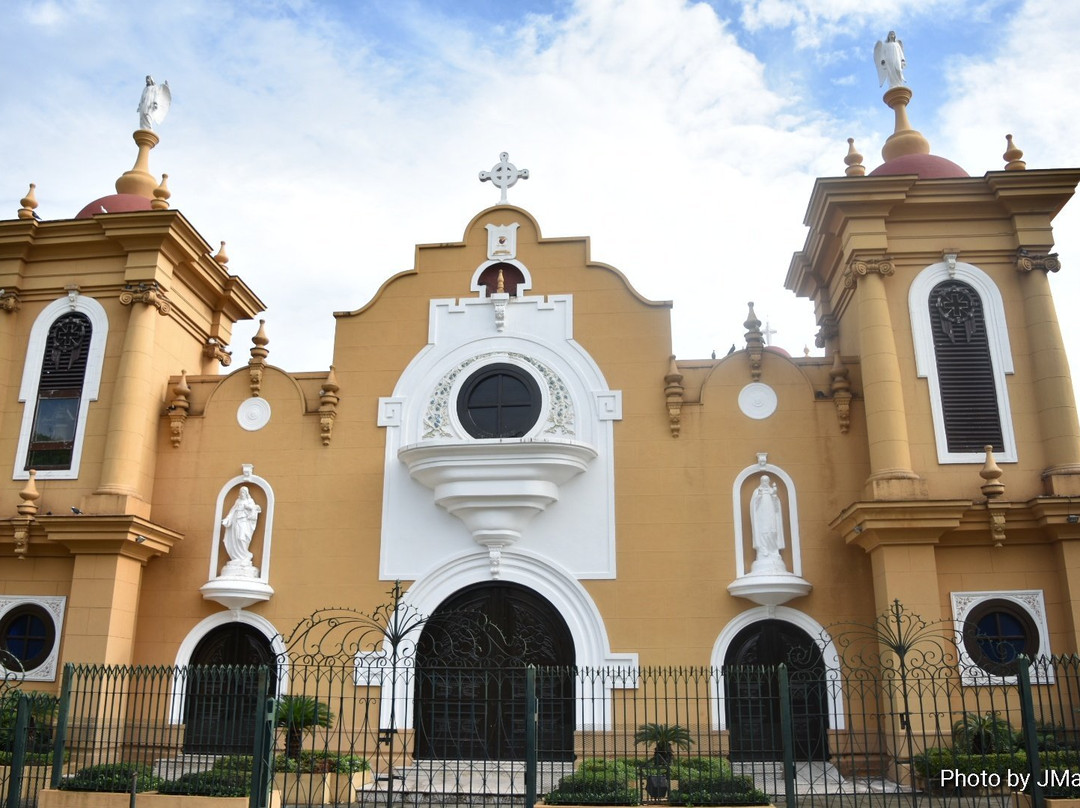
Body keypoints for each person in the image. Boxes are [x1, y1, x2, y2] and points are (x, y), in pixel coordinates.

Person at [749, 475, 785, 564]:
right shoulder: (757, 491)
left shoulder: (771, 491)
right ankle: (763, 550)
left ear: (768, 482)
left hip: (771, 514)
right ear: (761, 482)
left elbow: (777, 506)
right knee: (763, 532)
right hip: (761, 516)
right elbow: (753, 505)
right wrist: (759, 496)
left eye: (766, 481)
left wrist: (774, 496)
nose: (765, 482)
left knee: (772, 531)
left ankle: (773, 551)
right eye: (763, 481)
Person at [221, 486, 260, 567]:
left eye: (243, 492)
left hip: (244, 522)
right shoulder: (238, 501)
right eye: (241, 492)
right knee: (236, 538)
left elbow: (255, 510)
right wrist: (227, 519)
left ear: (246, 493)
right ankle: (237, 557)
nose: (242, 494)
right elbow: (232, 511)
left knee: (242, 537)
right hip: (236, 521)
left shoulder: (250, 501)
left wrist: (248, 507)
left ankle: (245, 555)